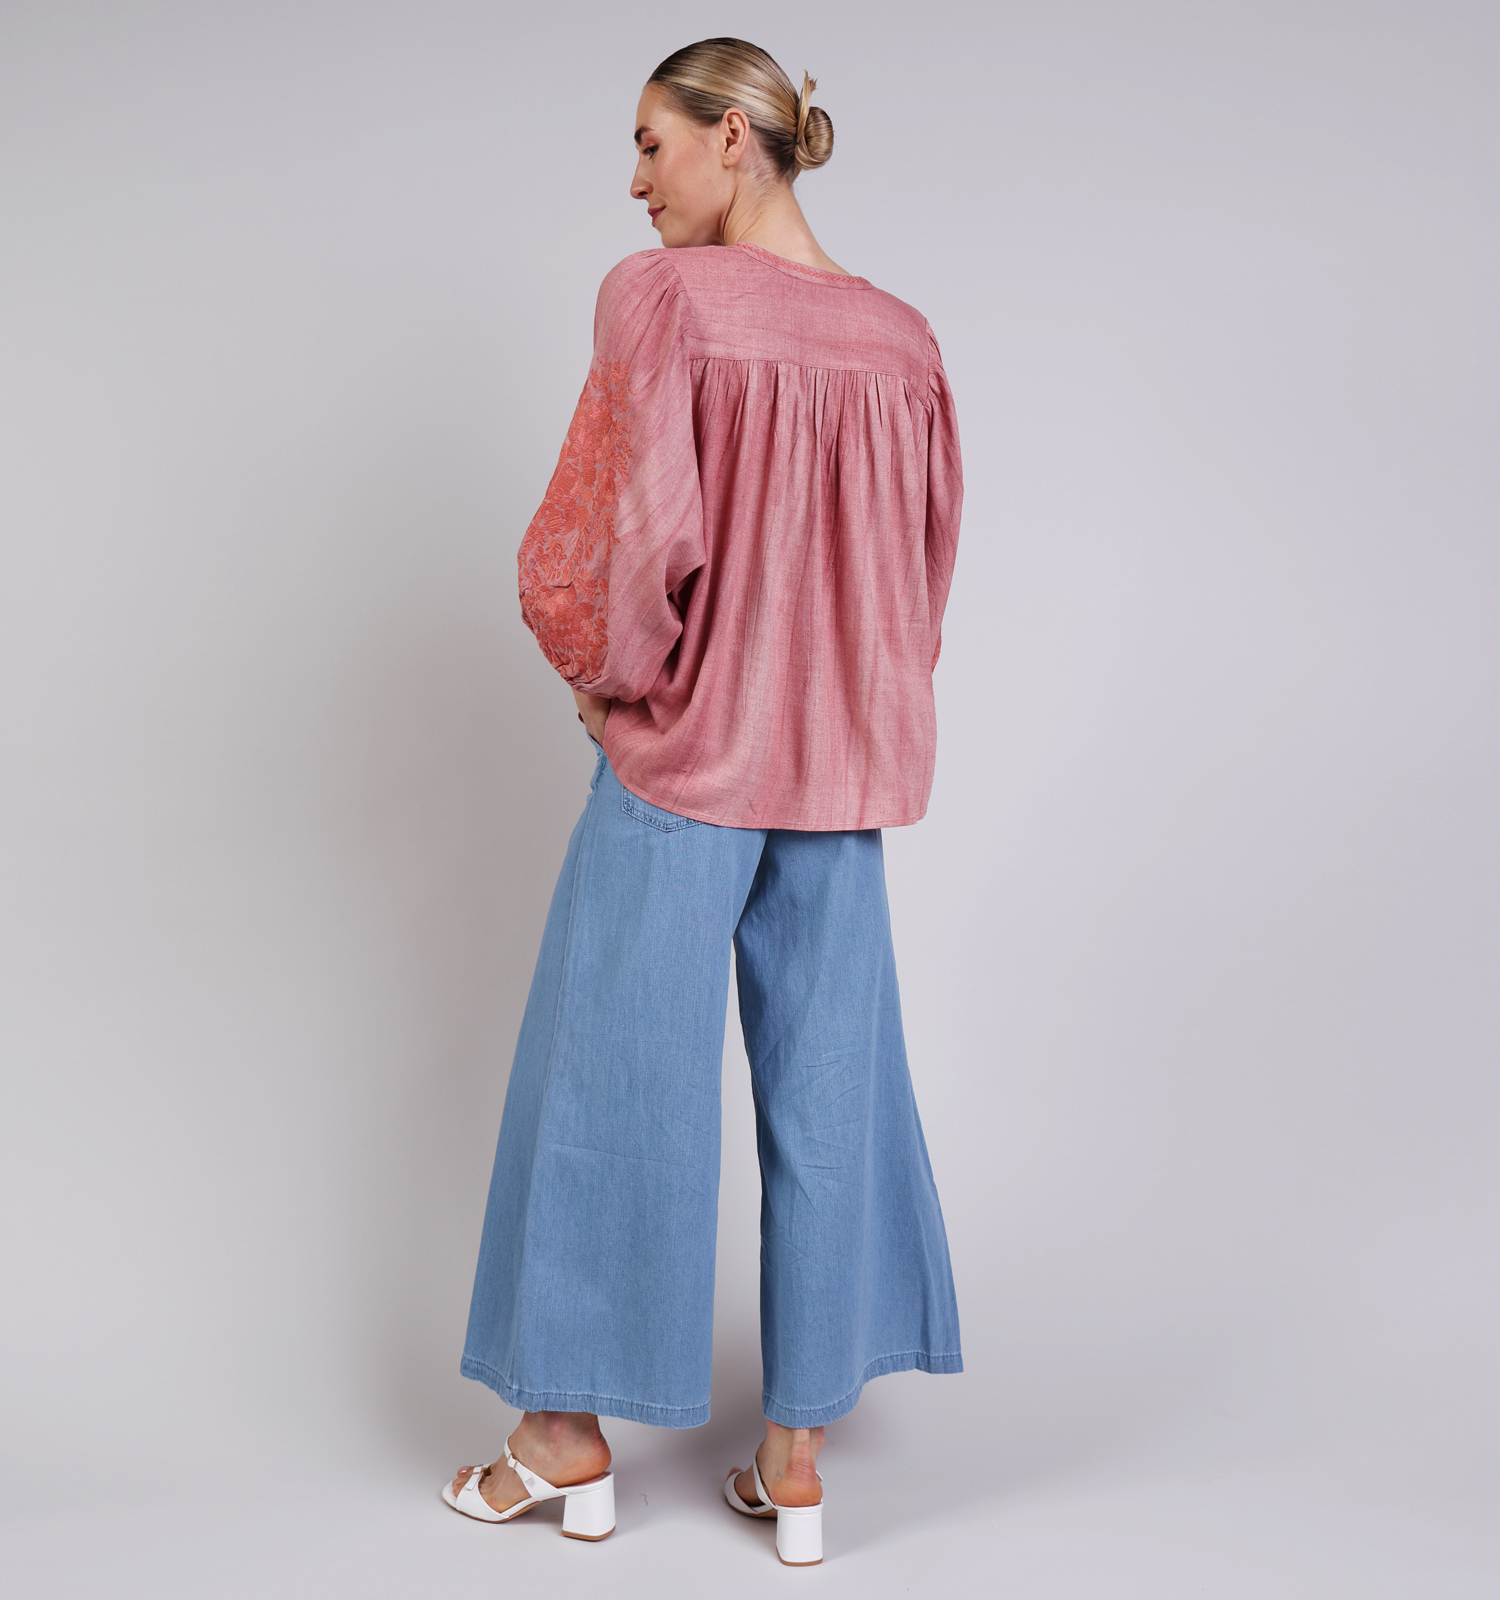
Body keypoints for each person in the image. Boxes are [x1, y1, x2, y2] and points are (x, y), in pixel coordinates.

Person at [442, 37, 964, 1566]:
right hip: (839, 775)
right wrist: (847, 705)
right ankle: (795, 1462)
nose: (636, 180)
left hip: (688, 762)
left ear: (735, 137)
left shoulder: (663, 299)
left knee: (611, 1084)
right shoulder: (905, 343)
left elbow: (628, 530)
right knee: (833, 1094)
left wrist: (608, 682)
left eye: (652, 143)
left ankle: (563, 1438)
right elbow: (921, 581)